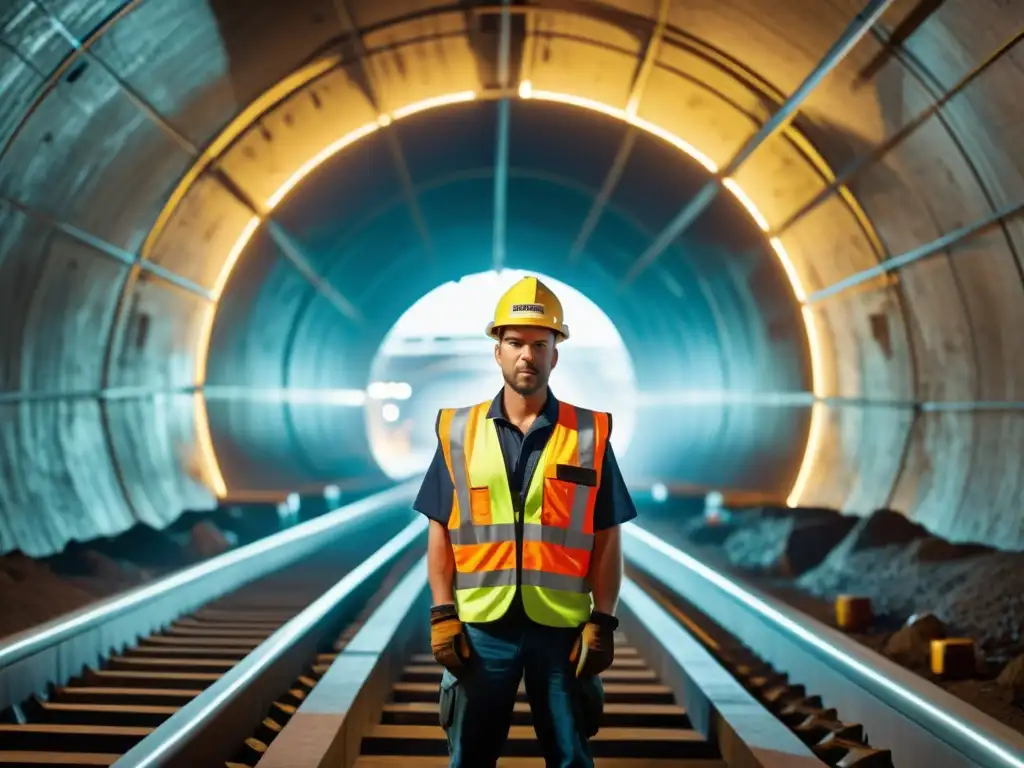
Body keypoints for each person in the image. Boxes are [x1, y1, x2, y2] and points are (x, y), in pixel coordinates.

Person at [413, 275, 639, 767]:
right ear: (497, 350)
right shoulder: (457, 430)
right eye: (515, 343)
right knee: (470, 758)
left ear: (556, 353)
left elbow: (607, 536)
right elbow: (440, 528)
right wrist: (442, 612)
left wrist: (603, 619)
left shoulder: (589, 432)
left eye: (540, 344)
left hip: (559, 630)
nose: (527, 356)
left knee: (570, 757)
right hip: (481, 628)